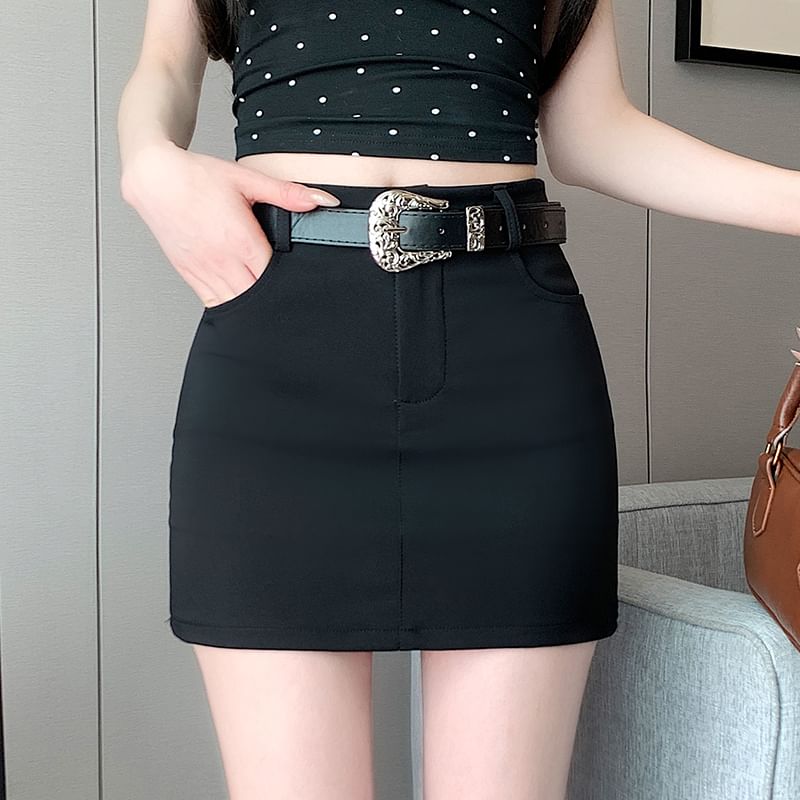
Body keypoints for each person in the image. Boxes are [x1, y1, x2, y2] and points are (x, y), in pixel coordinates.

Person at [117, 1, 800, 798]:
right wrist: (147, 159)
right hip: (279, 343)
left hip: (510, 353)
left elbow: (594, 135)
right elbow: (165, 66)